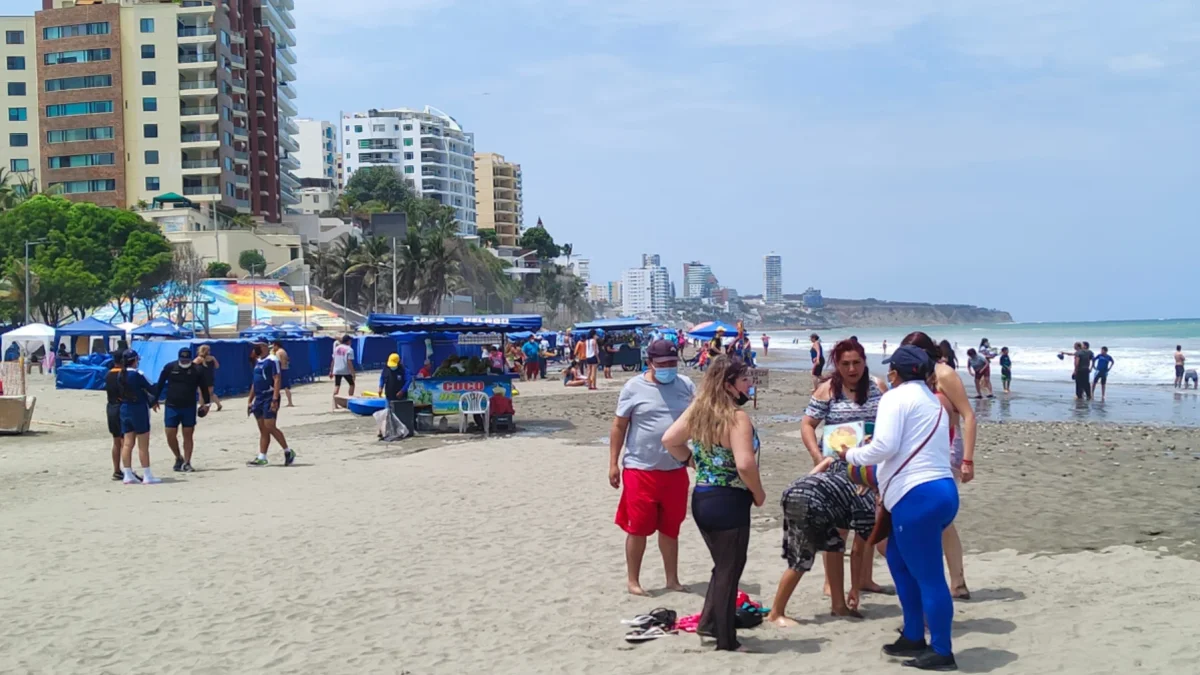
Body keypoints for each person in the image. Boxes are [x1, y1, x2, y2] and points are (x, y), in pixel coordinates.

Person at [840, 345, 959, 671]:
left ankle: (942, 650)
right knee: (897, 558)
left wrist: (850, 455)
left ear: (895, 373)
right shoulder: (934, 402)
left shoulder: (895, 398)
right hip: (942, 490)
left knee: (930, 576)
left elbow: (885, 446)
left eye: (890, 371)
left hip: (916, 496)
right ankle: (913, 634)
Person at [662, 355, 763, 652]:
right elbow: (745, 464)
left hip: (703, 497)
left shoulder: (700, 411)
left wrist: (695, 463)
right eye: (745, 379)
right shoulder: (737, 417)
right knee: (731, 568)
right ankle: (726, 639)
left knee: (723, 565)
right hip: (729, 500)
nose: (750, 384)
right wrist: (759, 493)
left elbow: (670, 440)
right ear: (728, 385)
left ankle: (708, 622)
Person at [799, 339, 889, 595]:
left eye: (857, 363)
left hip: (870, 468)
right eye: (845, 364)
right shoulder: (827, 391)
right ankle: (832, 582)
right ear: (837, 365)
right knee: (838, 528)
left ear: (865, 362)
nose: (852, 369)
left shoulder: (878, 387)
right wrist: (817, 457)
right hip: (837, 469)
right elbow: (807, 425)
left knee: (868, 524)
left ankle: (865, 579)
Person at [609, 339, 694, 596]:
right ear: (650, 363)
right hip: (640, 469)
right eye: (663, 364)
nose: (668, 368)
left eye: (672, 363)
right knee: (638, 528)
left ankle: (672, 579)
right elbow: (619, 426)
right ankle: (633, 581)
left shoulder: (685, 385)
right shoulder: (633, 387)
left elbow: (699, 420)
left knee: (671, 528)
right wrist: (613, 463)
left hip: (675, 469)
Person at [904, 331, 977, 600]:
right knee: (936, 519)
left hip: (948, 448)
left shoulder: (943, 374)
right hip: (922, 451)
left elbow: (969, 415)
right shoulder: (914, 375)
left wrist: (968, 460)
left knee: (940, 518)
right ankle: (952, 581)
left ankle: (956, 582)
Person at [766, 455, 877, 627]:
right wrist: (855, 589)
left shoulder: (847, 471)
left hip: (797, 489)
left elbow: (827, 463)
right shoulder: (867, 501)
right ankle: (776, 613)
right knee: (802, 558)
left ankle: (839, 605)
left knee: (835, 545)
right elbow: (857, 552)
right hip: (809, 501)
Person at [157, 347, 212, 473]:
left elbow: (204, 387)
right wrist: (154, 400)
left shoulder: (197, 370)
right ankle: (178, 457)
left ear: (190, 359)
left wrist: (207, 404)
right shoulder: (170, 367)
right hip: (171, 406)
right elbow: (160, 384)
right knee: (170, 434)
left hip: (189, 406)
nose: (185, 362)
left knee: (188, 435)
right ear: (179, 358)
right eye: (182, 360)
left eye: (187, 360)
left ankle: (187, 462)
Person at [114, 350, 162, 485]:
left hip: (125, 408)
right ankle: (147, 475)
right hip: (138, 408)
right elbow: (152, 388)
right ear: (135, 360)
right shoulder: (138, 374)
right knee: (143, 444)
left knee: (127, 443)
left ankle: (128, 474)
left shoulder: (120, 374)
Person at [247, 342, 295, 467]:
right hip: (259, 398)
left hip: (269, 396)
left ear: (264, 347)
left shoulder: (272, 360)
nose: (255, 349)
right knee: (263, 428)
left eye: (257, 346)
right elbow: (255, 382)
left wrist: (275, 399)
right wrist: (250, 400)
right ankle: (262, 457)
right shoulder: (258, 362)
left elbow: (277, 379)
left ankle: (288, 451)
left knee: (270, 425)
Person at [103, 348, 140, 483]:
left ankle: (117, 470)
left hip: (111, 407)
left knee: (116, 441)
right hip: (122, 407)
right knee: (126, 441)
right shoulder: (123, 374)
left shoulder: (108, 374)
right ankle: (127, 470)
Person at [194, 344, 222, 411]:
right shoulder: (212, 358)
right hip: (210, 377)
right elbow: (217, 366)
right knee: (211, 394)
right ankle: (219, 405)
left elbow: (192, 366)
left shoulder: (198, 359)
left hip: (201, 378)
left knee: (201, 394)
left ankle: (202, 407)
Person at [331, 335, 356, 407]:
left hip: (337, 369)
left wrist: (331, 370)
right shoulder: (349, 349)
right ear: (348, 341)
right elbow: (349, 361)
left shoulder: (336, 348)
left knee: (337, 386)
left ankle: (335, 405)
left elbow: (333, 360)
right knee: (352, 384)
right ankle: (350, 402)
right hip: (345, 370)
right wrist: (353, 372)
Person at [270, 339, 293, 407]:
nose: (273, 347)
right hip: (285, 369)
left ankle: (276, 402)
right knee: (286, 387)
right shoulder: (283, 351)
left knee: (279, 386)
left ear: (276, 345)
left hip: (281, 370)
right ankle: (290, 402)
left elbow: (278, 362)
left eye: (273, 346)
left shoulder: (278, 352)